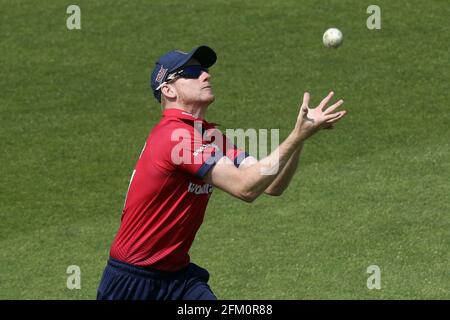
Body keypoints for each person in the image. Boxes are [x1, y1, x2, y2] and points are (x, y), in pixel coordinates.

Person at [97, 45, 346, 300]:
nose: (206, 75)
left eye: (204, 70)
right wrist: (296, 136)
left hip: (178, 279)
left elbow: (271, 185)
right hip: (133, 282)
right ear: (168, 89)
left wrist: (302, 137)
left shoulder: (208, 136)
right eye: (192, 72)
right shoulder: (175, 135)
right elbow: (245, 188)